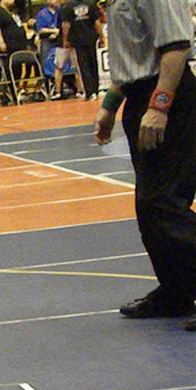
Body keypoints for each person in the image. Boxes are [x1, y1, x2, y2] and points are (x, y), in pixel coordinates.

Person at [94, 0, 195, 331]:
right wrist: (110, 106)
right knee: (149, 208)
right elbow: (132, 58)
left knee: (163, 203)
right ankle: (177, 292)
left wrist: (160, 105)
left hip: (168, 98)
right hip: (141, 98)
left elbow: (176, 47)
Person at [61, 0, 102, 99]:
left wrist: (65, 40)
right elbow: (97, 22)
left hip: (78, 39)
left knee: (84, 66)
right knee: (93, 63)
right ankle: (95, 90)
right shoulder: (90, 3)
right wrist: (101, 36)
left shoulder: (68, 6)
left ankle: (90, 92)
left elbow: (66, 25)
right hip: (90, 37)